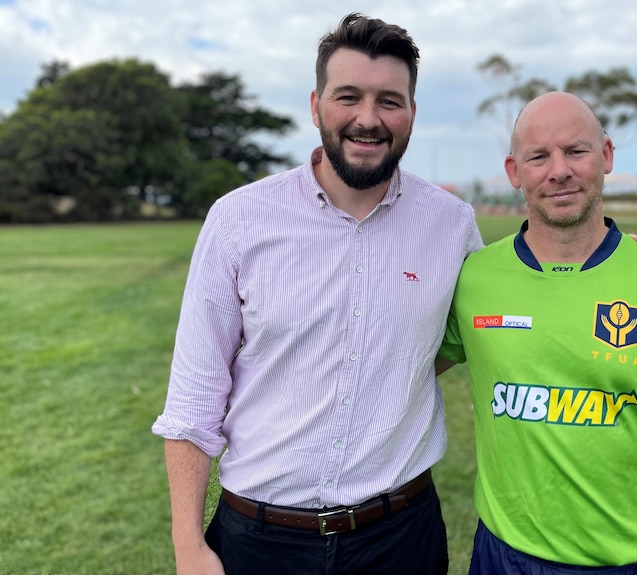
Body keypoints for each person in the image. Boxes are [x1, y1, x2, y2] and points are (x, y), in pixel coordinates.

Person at [152, 13, 484, 575]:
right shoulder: (238, 220)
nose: (368, 119)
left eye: (389, 100)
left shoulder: (452, 225)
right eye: (348, 96)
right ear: (315, 106)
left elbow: (501, 314)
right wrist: (188, 546)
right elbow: (194, 396)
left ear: (412, 113)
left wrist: (613, 259)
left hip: (402, 538)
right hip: (259, 540)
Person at [437, 91, 637, 575]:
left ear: (605, 155)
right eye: (538, 156)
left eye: (576, 151)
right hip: (504, 558)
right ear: (513, 171)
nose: (558, 170)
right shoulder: (473, 280)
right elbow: (406, 366)